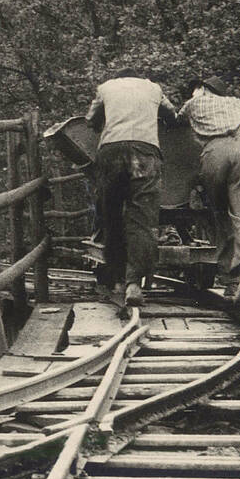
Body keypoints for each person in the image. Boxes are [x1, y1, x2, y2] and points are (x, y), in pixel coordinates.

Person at [86, 68, 177, 311]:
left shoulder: (106, 87)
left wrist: (105, 124)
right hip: (145, 152)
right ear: (141, 77)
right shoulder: (153, 88)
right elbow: (172, 116)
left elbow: (90, 120)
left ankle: (116, 278)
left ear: (118, 77)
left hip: (111, 152)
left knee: (111, 217)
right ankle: (134, 284)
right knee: (142, 220)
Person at [177, 75, 240, 306]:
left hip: (215, 153)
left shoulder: (194, 104)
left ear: (202, 89)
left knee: (220, 214)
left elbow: (175, 126)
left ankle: (232, 281)